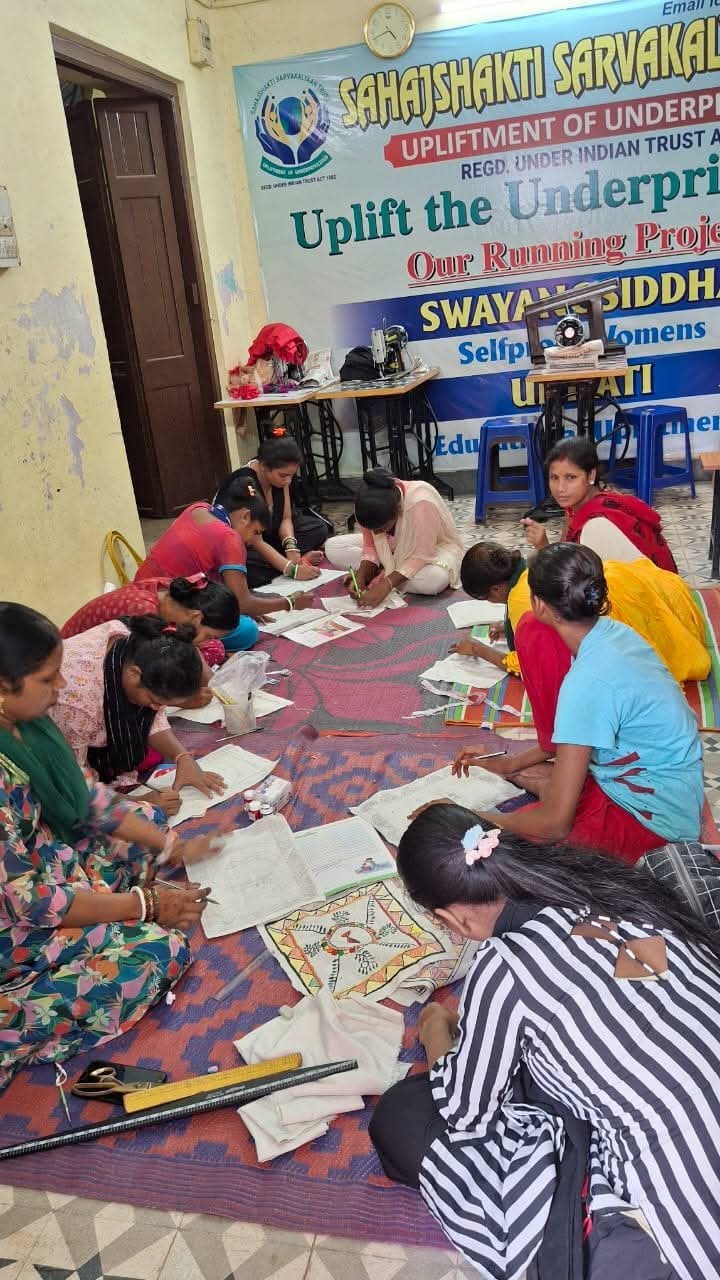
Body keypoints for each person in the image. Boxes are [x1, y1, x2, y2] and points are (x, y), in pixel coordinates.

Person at [370, 804, 720, 1280]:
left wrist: (436, 1032)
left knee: (402, 1114)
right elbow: (628, 982)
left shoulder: (504, 969)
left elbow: (467, 1114)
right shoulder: (607, 889)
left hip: (693, 1195)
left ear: (453, 919)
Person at [0, 603, 219, 1089]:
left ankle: (111, 912)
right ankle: (13, 1024)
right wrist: (144, 906)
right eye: (48, 679)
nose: (60, 689)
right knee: (158, 953)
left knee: (145, 823)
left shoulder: (25, 723)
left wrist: (168, 846)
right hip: (16, 924)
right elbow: (30, 899)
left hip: (48, 860)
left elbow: (87, 798)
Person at [452, 545, 704, 861]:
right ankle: (504, 775)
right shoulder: (616, 634)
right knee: (548, 783)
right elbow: (570, 744)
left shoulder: (584, 684)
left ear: (539, 604)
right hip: (672, 793)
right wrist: (505, 765)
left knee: (523, 852)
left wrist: (473, 817)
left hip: (654, 824)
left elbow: (555, 825)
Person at [452, 540, 709, 683]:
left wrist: (478, 650)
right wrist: (506, 622)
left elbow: (528, 667)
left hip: (646, 628)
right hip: (661, 590)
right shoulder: (530, 569)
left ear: (497, 588)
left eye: (488, 598)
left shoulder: (524, 599)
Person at [50, 614, 226, 818]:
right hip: (61, 754)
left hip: (84, 726)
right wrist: (138, 802)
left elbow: (153, 714)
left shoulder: (143, 645)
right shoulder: (78, 701)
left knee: (149, 754)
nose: (157, 708)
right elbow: (75, 784)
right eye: (155, 700)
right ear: (134, 674)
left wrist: (182, 757)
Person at [134, 478, 314, 635]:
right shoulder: (230, 538)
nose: (252, 540)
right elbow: (242, 603)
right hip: (161, 611)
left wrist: (248, 605)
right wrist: (289, 602)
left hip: (140, 593)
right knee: (246, 629)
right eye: (255, 532)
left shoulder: (198, 508)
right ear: (245, 516)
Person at [522, 437, 678, 571]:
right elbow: (566, 554)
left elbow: (570, 586)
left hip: (650, 600)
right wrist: (544, 545)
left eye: (571, 478)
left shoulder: (596, 525)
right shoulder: (578, 505)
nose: (560, 488)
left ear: (591, 475)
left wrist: (543, 547)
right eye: (554, 478)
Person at [324, 469, 463, 605]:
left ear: (397, 510)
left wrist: (387, 583)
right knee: (333, 547)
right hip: (390, 552)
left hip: (434, 550)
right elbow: (370, 545)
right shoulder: (364, 503)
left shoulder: (420, 502)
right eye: (373, 530)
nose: (377, 533)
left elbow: (422, 556)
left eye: (382, 528)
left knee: (434, 580)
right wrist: (362, 573)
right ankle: (381, 571)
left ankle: (384, 572)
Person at [214, 434, 330, 588]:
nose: (287, 481)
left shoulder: (281, 479)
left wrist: (290, 545)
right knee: (248, 568)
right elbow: (254, 540)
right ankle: (284, 564)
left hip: (268, 535)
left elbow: (286, 518)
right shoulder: (246, 483)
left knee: (318, 528)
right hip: (246, 542)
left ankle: (282, 561)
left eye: (291, 476)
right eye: (283, 475)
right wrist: (293, 570)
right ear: (263, 466)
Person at [61, 574, 242, 668]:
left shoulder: (170, 594)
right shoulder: (143, 611)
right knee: (180, 667)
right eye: (208, 634)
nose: (207, 638)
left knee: (215, 648)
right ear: (196, 616)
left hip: (130, 648)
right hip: (77, 659)